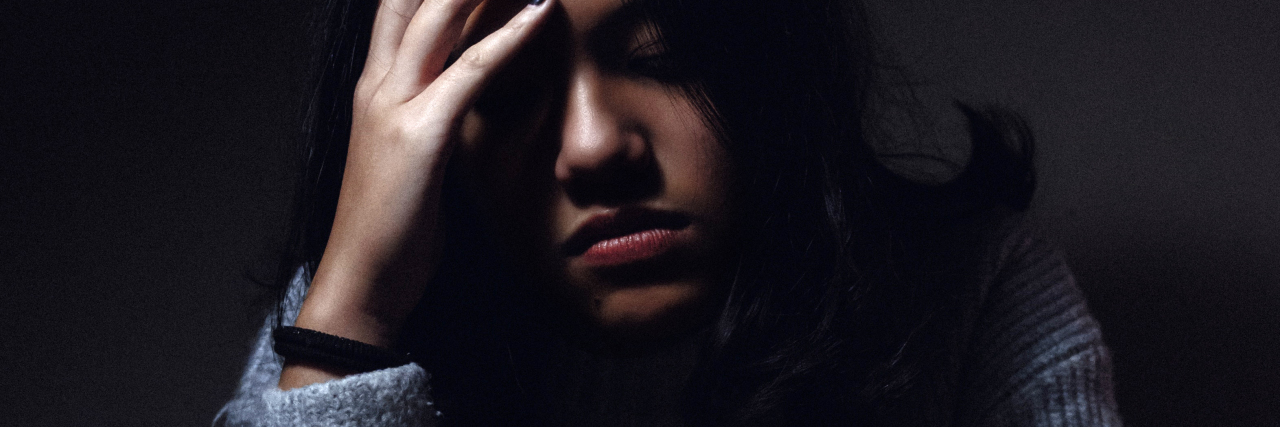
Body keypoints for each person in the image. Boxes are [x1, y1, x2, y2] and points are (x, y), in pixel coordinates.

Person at [217, 0, 1122, 425]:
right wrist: (351, 318)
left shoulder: (972, 287)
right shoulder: (339, 338)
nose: (594, 145)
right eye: (504, 87)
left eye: (666, 53)